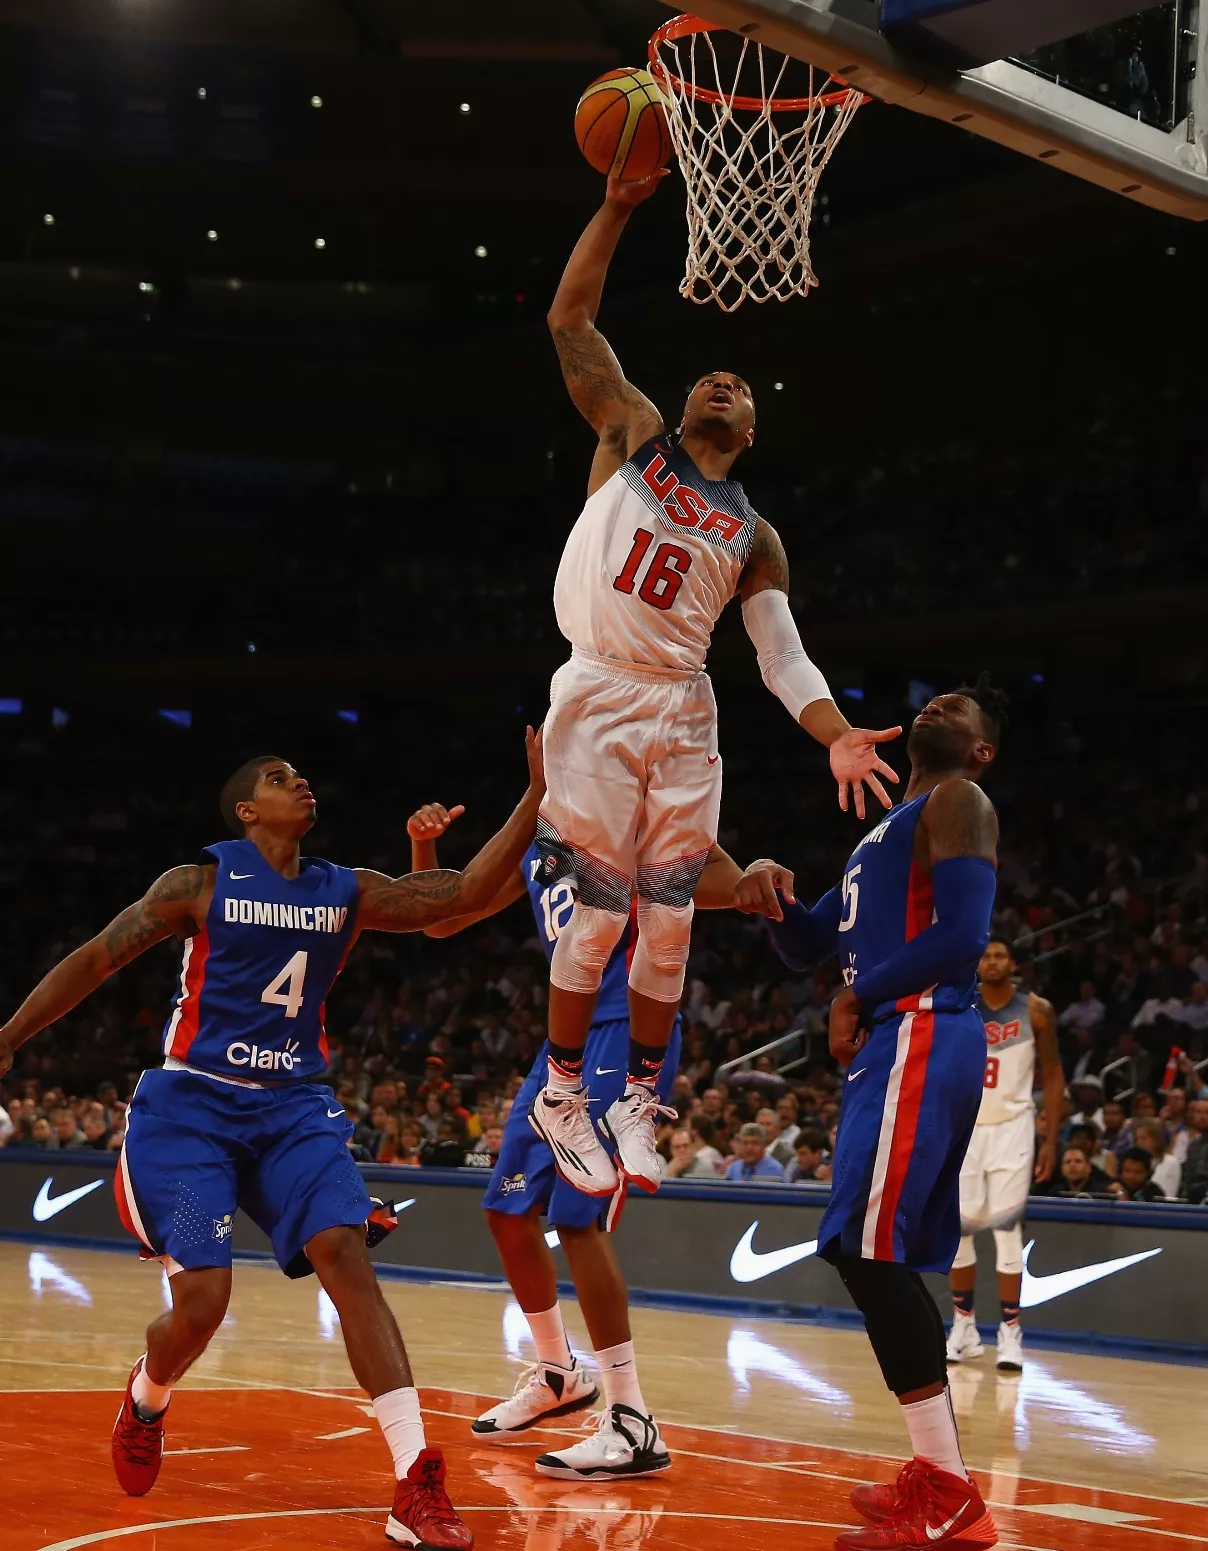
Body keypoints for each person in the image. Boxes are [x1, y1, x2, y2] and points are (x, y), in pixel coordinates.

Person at [0, 738, 547, 1550]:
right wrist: (9, 1036)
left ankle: (414, 1476)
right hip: (191, 1111)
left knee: (345, 1252)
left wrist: (537, 794)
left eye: (301, 772)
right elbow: (95, 959)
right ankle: (148, 1396)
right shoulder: (200, 883)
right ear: (248, 811)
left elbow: (458, 892)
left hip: (293, 1110)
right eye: (278, 777)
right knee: (203, 1305)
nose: (301, 781)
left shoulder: (345, 889)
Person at [531, 168, 902, 1201]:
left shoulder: (755, 535)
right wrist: (613, 203)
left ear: (750, 433)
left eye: (739, 387)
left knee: (670, 923)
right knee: (599, 919)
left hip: (685, 701)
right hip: (600, 689)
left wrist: (830, 732)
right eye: (712, 376)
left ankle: (636, 1097)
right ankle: (560, 1091)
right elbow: (569, 316)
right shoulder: (630, 437)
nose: (721, 382)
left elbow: (781, 658)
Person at [406, 798, 787, 1481]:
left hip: (626, 1028)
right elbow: (443, 920)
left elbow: (703, 868)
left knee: (577, 1215)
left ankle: (631, 1417)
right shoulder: (539, 845)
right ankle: (558, 1372)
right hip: (563, 1046)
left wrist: (751, 872)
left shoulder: (628, 813)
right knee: (505, 1209)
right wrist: (424, 848)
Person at [756, 678, 1007, 1549]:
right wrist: (769, 891)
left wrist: (859, 993)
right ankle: (940, 1475)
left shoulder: (958, 798)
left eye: (959, 708)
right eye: (932, 699)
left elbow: (966, 934)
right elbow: (805, 943)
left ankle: (947, 1486)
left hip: (925, 1029)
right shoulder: (879, 837)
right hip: (897, 1041)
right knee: (876, 1249)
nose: (936, 705)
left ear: (983, 749)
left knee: (862, 1247)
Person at [946, 937, 1064, 1374]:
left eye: (1000, 955)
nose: (992, 961)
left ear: (1013, 963)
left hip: (1014, 1126)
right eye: (985, 955)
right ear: (976, 963)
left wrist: (1050, 1138)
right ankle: (965, 1328)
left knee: (1006, 1229)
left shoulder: (1036, 1010)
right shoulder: (958, 1005)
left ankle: (1010, 1333)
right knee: (958, 1230)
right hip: (966, 1126)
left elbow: (1052, 1073)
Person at [1130, 1117, 1181, 1198]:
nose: (1139, 1143)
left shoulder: (1170, 1162)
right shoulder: (1133, 1164)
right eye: (1136, 1139)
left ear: (1156, 1139)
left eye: (1144, 1138)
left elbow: (1168, 1197)